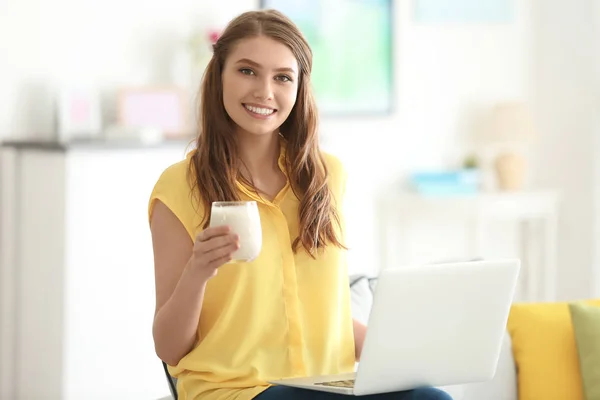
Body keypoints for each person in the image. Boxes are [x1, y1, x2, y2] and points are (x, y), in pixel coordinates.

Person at [148, 9, 453, 400]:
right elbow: (168, 347)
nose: (264, 92)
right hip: (234, 390)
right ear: (219, 75)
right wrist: (198, 272)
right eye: (247, 71)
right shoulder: (179, 187)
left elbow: (329, 313)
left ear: (299, 88)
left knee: (432, 398)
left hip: (328, 385)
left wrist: (403, 356)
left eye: (282, 77)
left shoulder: (327, 176)